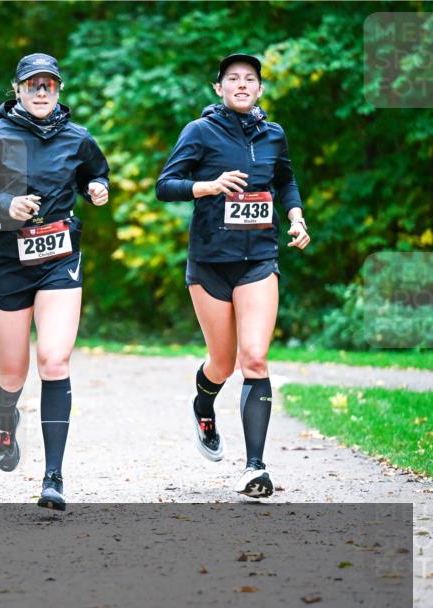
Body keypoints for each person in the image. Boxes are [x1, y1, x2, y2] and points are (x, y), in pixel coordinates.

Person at [0, 53, 110, 511]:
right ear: (16, 89)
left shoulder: (78, 137)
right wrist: (5, 205)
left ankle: (53, 478)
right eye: (32, 84)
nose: (41, 91)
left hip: (60, 257)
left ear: (59, 90)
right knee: (13, 373)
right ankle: (6, 416)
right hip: (7, 261)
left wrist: (97, 188)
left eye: (48, 84)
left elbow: (95, 172)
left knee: (54, 361)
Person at [155, 53, 311, 498]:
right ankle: (204, 405)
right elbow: (165, 185)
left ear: (259, 89)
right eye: (233, 78)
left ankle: (255, 468)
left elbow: (285, 181)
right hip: (210, 262)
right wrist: (207, 186)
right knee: (222, 363)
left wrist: (296, 217)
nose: (242, 84)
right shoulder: (199, 131)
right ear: (218, 88)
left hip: (258, 258)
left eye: (250, 79)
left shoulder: (273, 134)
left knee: (254, 359)